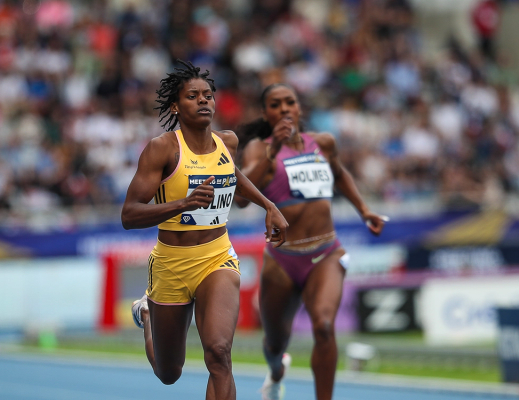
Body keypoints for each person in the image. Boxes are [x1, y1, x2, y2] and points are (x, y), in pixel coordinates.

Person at [121, 60, 289, 400]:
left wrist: (269, 206)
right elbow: (129, 214)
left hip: (217, 257)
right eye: (193, 96)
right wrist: (183, 203)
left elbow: (233, 176)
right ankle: (147, 313)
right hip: (171, 263)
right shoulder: (163, 149)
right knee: (169, 373)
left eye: (208, 95)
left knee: (218, 353)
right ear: (175, 106)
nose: (203, 101)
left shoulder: (227, 141)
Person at [235, 83, 386, 400]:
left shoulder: (323, 143)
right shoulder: (258, 149)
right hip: (282, 260)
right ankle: (276, 370)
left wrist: (364, 209)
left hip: (325, 253)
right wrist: (273, 150)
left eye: (290, 102)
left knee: (323, 326)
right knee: (274, 343)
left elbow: (340, 173)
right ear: (266, 114)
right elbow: (240, 198)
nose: (284, 109)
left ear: (299, 108)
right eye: (275, 104)